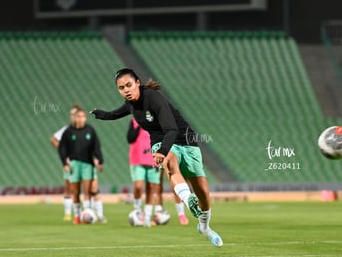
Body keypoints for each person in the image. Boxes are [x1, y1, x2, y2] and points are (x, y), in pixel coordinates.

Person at [90, 68, 222, 247]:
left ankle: (205, 227)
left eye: (129, 85)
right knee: (170, 162)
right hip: (161, 142)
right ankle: (187, 199)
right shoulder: (130, 104)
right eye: (121, 88)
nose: (126, 90)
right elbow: (115, 114)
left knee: (204, 194)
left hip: (185, 140)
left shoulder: (153, 98)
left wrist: (163, 151)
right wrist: (100, 114)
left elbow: (172, 129)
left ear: (138, 83)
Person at [127, 118, 188, 226]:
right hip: (139, 159)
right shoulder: (136, 120)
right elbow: (130, 138)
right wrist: (140, 125)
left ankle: (155, 215)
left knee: (156, 186)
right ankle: (139, 210)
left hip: (156, 156)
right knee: (139, 186)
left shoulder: (159, 120)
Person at [58, 109, 105, 224]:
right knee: (75, 191)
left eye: (83, 116)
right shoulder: (69, 131)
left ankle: (87, 212)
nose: (81, 118)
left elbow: (97, 147)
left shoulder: (90, 130)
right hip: (74, 164)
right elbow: (62, 148)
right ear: (75, 118)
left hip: (87, 164)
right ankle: (77, 215)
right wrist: (65, 162)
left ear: (85, 118)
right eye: (78, 116)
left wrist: (100, 161)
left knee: (87, 190)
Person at [50, 104, 80, 221]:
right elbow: (53, 139)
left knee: (85, 188)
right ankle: (67, 213)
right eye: (71, 114)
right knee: (69, 188)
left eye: (75, 114)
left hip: (84, 162)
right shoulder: (66, 130)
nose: (73, 117)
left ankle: (84, 212)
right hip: (70, 163)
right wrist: (63, 151)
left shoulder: (86, 129)